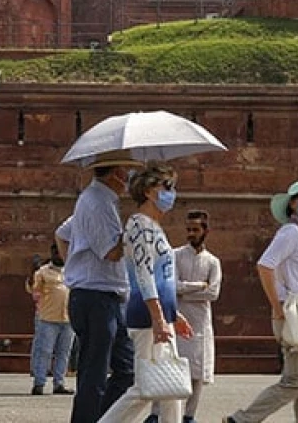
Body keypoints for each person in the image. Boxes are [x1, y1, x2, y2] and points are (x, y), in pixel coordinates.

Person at [224, 179, 298, 423]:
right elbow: (265, 266)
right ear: (292, 204)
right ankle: (242, 420)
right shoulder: (290, 233)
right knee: (296, 380)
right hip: (295, 314)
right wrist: (278, 307)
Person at [98, 164, 194, 423]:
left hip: (157, 316)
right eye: (168, 187)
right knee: (145, 388)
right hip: (147, 317)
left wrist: (173, 314)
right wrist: (159, 318)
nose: (172, 194)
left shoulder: (151, 226)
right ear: (151, 191)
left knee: (171, 387)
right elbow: (144, 276)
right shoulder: (140, 226)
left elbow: (163, 279)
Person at [57, 151, 145, 423]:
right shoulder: (97, 202)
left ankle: (99, 419)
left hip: (105, 296)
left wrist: (73, 266)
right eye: (126, 171)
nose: (129, 177)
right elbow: (112, 252)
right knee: (94, 374)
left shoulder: (98, 201)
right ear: (116, 172)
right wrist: (136, 229)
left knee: (127, 371)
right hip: (96, 298)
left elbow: (62, 234)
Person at [151, 209, 222, 423]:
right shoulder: (174, 255)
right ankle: (155, 414)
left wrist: (187, 290)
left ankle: (189, 415)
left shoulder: (212, 262)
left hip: (201, 323)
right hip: (177, 317)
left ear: (205, 231)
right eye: (188, 229)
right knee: (169, 367)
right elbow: (171, 287)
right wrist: (199, 286)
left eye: (195, 229)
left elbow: (213, 293)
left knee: (197, 373)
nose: (191, 233)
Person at [28, 243, 75, 395]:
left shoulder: (73, 271)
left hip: (68, 318)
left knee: (64, 352)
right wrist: (32, 274)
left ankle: (59, 383)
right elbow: (33, 290)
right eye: (56, 252)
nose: (59, 255)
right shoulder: (42, 272)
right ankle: (39, 383)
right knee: (45, 351)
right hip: (47, 318)